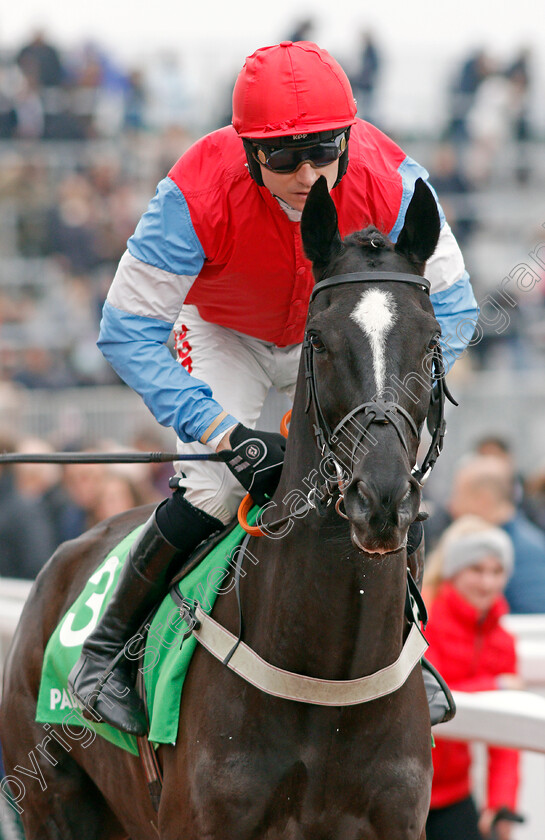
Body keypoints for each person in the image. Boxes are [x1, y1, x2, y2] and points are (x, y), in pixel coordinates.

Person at [68, 40, 478, 736]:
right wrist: (223, 433)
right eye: (282, 158)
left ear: (349, 138)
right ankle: (105, 653)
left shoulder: (395, 180)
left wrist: (389, 406)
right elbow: (127, 329)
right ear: (247, 149)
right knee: (219, 489)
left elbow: (457, 311)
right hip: (224, 329)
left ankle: (409, 641)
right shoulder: (194, 193)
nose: (307, 174)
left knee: (384, 471)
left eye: (323, 150)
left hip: (335, 333)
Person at [424, 515, 521, 840]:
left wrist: (501, 802)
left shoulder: (502, 640)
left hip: (455, 792)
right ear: (453, 571)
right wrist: (496, 687)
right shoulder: (425, 620)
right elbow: (430, 700)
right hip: (403, 784)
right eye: (477, 570)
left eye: (497, 572)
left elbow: (508, 731)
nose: (488, 583)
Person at [449, 454, 545, 613]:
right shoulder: (519, 544)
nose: (452, 506)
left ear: (483, 499)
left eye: (459, 494)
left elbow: (533, 622)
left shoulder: (526, 554)